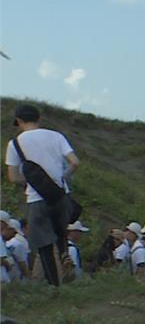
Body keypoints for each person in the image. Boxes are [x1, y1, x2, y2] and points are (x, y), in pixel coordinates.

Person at [4, 104, 81, 286]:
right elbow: (75, 162)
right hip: (61, 196)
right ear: (39, 119)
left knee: (44, 244)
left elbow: (13, 177)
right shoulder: (56, 136)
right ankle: (64, 255)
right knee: (61, 233)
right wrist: (62, 176)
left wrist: (30, 181)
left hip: (37, 198)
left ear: (19, 121)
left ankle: (55, 285)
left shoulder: (15, 143)